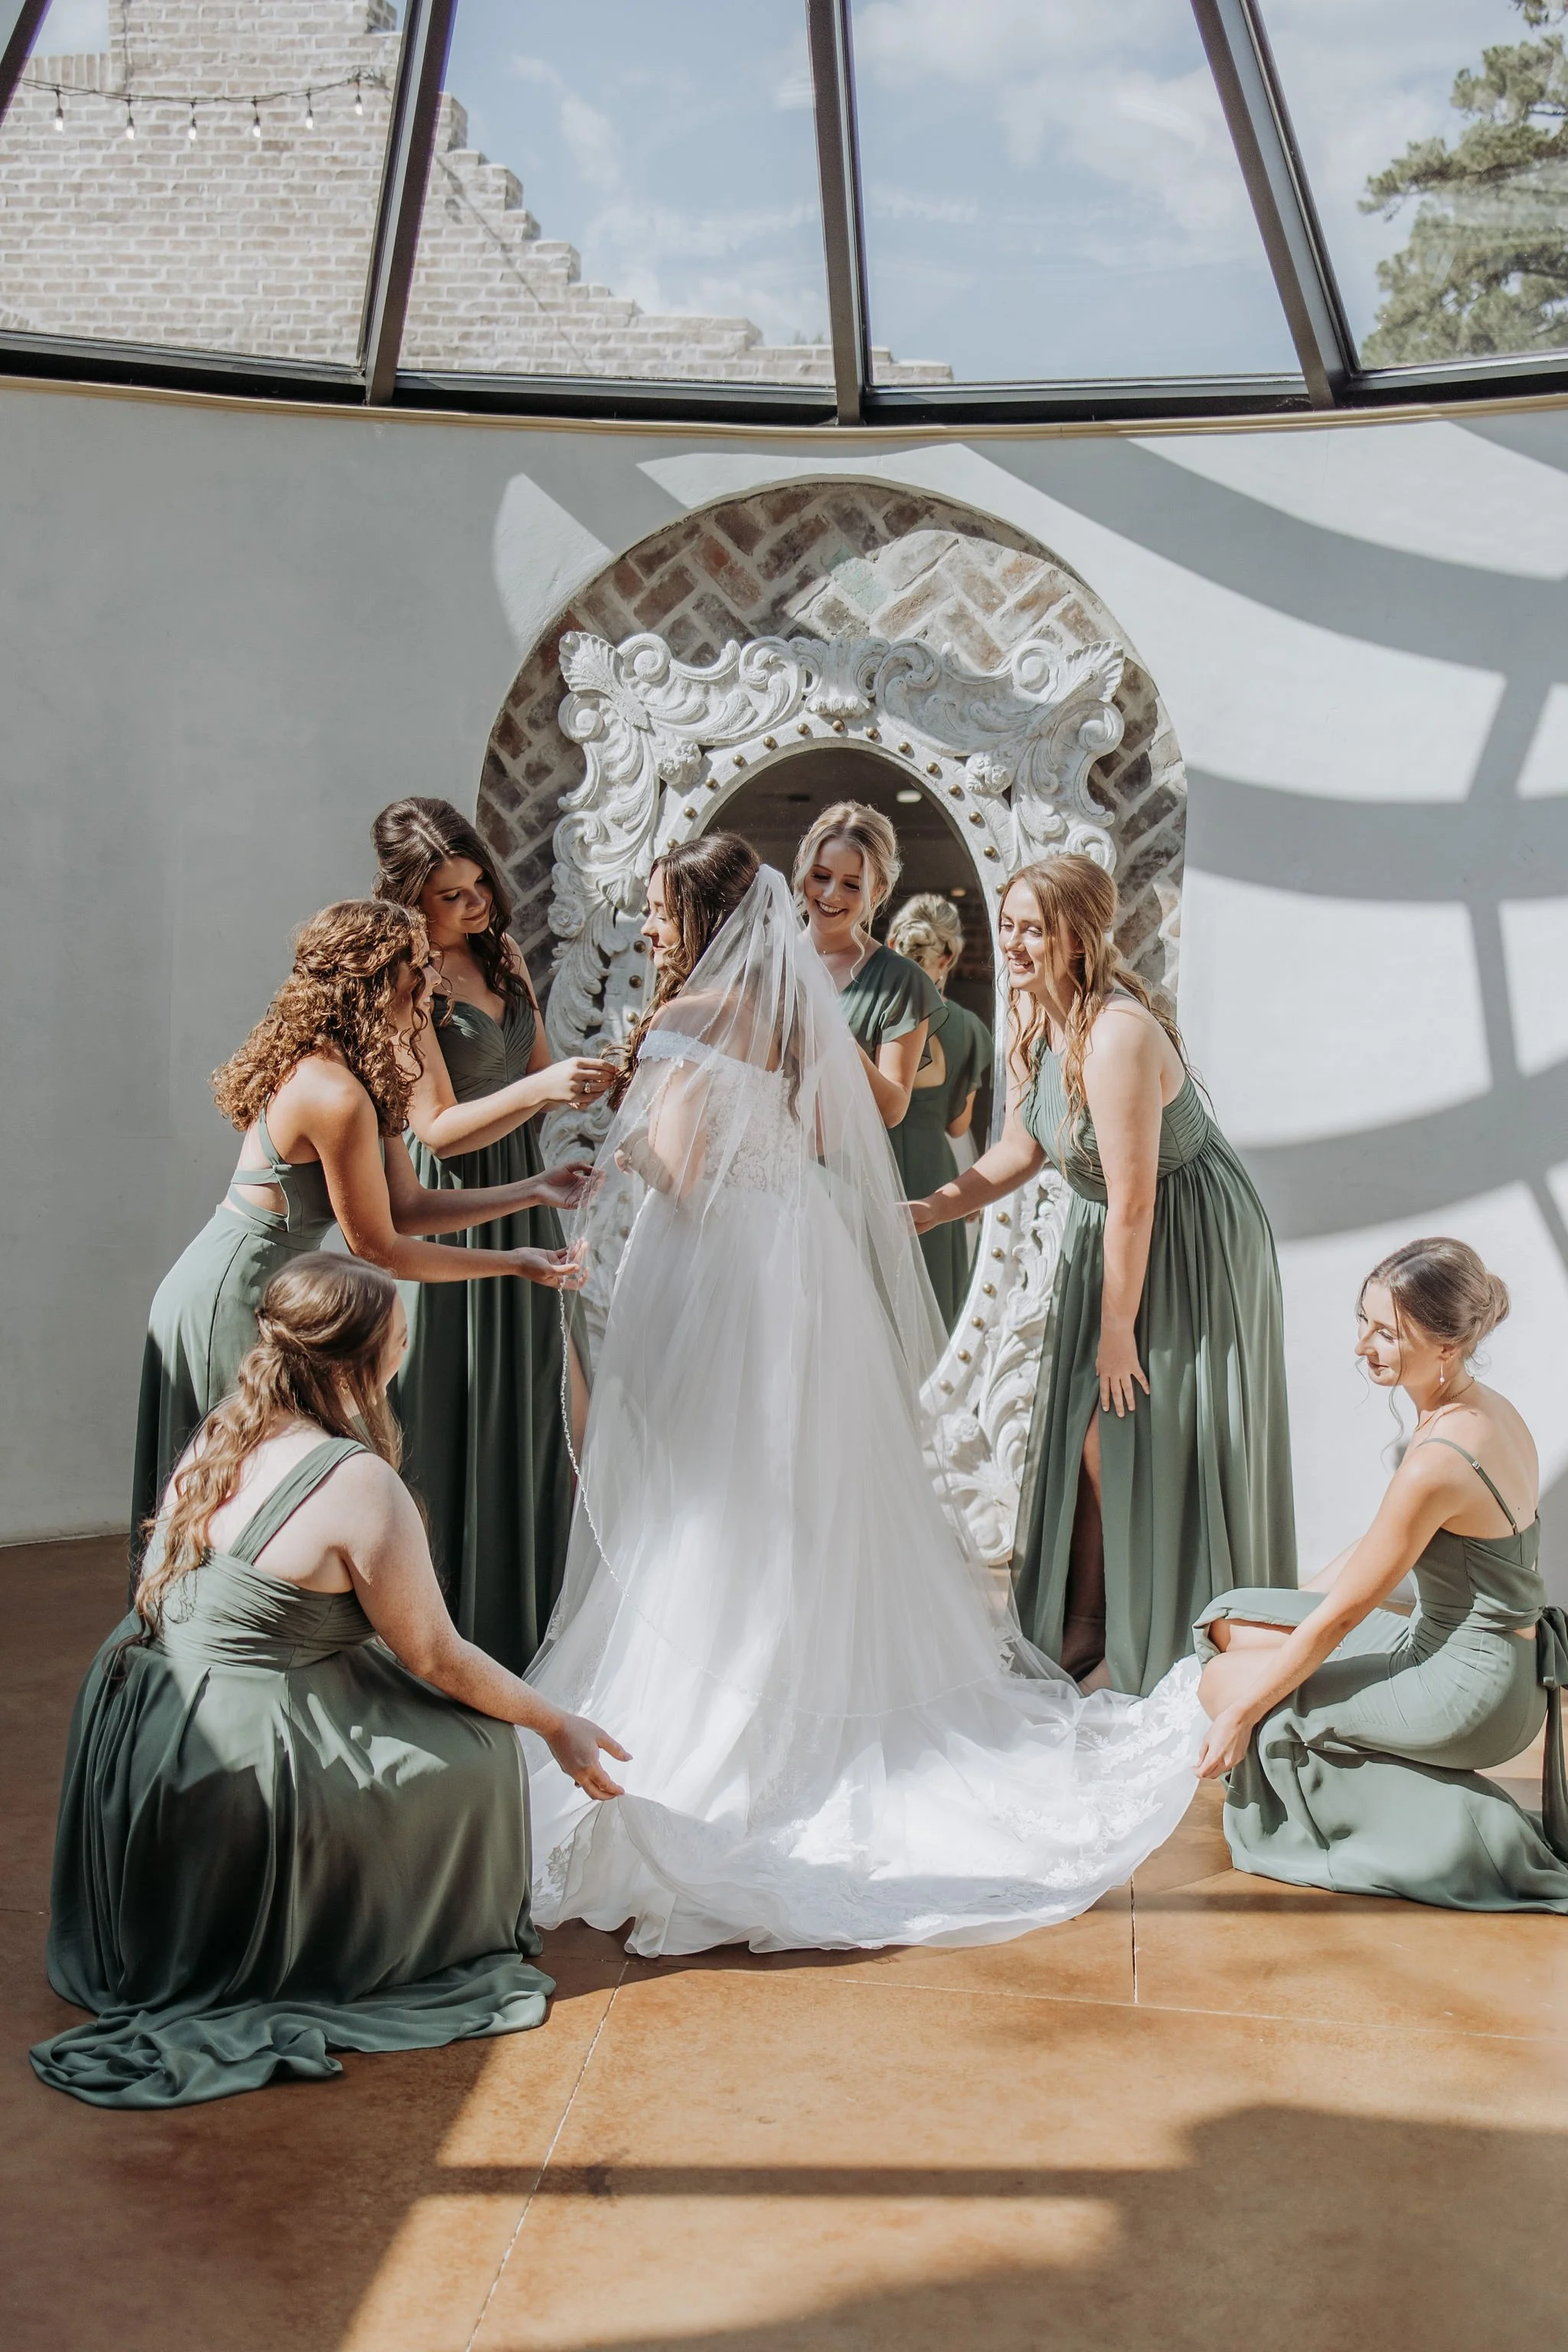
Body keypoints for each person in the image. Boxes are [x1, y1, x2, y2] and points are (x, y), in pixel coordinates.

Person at [521, 833, 1204, 1958]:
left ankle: (734, 1709)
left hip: (726, 1273)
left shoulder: (692, 1021)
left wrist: (629, 1154)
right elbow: (831, 1133)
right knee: (803, 1492)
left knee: (715, 1496)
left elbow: (687, 1174)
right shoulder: (799, 1019)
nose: (648, 928)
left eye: (656, 911)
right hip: (799, 1262)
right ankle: (828, 1687)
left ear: (700, 920)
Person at [35, 1254, 628, 2108]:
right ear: (369, 1358)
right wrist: (553, 1724)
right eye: (400, 1336)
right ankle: (383, 1940)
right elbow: (437, 1656)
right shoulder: (360, 1482)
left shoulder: (225, 1429)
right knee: (473, 1750)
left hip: (136, 1720)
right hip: (232, 1745)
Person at [911, 854, 1294, 1696]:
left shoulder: (1116, 1034)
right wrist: (933, 1208)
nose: (1013, 943)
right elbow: (1020, 1147)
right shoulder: (1031, 1019)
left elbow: (1132, 1201)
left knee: (1124, 1431)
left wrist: (1115, 1333)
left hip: (1188, 1234)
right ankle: (1086, 1624)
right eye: (1006, 923)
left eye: (1032, 928)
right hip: (1116, 1233)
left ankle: (1142, 1634)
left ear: (1076, 937)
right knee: (1095, 1437)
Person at [132, 898, 587, 1553]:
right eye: (419, 971)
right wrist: (515, 1263)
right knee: (219, 1511)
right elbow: (381, 1248)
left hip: (269, 1287)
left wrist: (532, 1190)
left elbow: (409, 1207)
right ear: (381, 984)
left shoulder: (359, 1074)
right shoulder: (335, 1093)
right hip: (228, 1296)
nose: (434, 982)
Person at [1194, 1238, 1568, 1909]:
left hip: (1470, 1692)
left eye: (1387, 1333)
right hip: (1490, 1664)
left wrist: (1246, 1714)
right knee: (1231, 1622)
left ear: (1445, 1344)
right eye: (1362, 1322)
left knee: (1228, 1686)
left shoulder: (1438, 1460)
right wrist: (1282, 1624)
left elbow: (1341, 1617)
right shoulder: (1488, 1410)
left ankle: (1471, 1833)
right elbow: (1377, 1552)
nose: (1364, 1345)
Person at [371, 798, 617, 1671]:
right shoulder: (399, 983)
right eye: (450, 896)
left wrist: (590, 1080)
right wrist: (544, 1096)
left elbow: (538, 1064)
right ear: (410, 900)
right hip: (452, 1201)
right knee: (451, 1409)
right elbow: (435, 1127)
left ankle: (530, 1623)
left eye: (479, 885)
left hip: (525, 1191)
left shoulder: (502, 955)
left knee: (536, 1402)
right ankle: (444, 1635)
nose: (475, 906)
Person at [794, 802, 938, 1131]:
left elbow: (892, 1110)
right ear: (803, 866)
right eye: (821, 876)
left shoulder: (901, 981)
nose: (831, 895)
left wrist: (839, 1046)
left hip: (839, 1173)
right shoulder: (767, 962)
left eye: (852, 884)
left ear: (879, 890)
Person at [886, 893, 993, 1330]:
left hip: (874, 1168)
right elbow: (959, 1124)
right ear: (949, 956)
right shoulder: (968, 1029)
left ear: (892, 945)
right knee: (932, 1318)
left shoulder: (871, 1018)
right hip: (934, 1181)